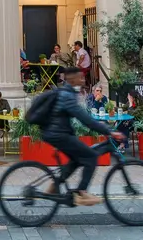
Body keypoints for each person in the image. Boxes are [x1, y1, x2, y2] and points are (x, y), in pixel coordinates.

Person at [41, 67, 122, 207]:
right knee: (90, 156)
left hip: (57, 133)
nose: (83, 80)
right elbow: (85, 118)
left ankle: (54, 186)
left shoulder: (67, 92)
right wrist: (108, 131)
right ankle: (81, 192)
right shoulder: (67, 96)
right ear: (72, 79)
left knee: (77, 159)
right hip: (59, 134)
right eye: (81, 77)